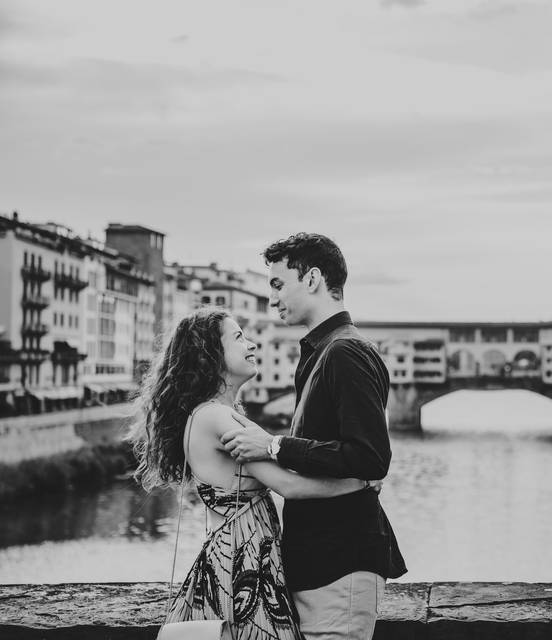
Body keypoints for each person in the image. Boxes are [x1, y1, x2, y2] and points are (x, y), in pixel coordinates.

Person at [127, 307, 375, 640]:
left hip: (242, 560)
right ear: (210, 354)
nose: (252, 344)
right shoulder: (216, 417)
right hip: (241, 567)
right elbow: (289, 484)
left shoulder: (220, 414)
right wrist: (360, 482)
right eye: (239, 337)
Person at [221, 233, 406, 640]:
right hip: (322, 564)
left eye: (277, 284)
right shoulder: (325, 351)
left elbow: (371, 458)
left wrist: (273, 446)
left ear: (313, 279)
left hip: (341, 562)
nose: (272, 298)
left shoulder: (344, 352)